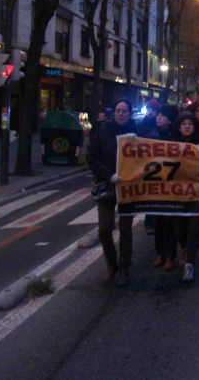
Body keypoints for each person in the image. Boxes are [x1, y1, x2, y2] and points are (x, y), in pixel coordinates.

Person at [86, 99, 136, 286]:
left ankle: (124, 267)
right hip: (108, 184)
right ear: (113, 113)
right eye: (118, 111)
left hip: (128, 187)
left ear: (129, 114)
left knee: (125, 230)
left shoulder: (136, 133)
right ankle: (111, 263)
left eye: (124, 111)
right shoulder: (103, 131)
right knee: (104, 228)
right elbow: (92, 157)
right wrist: (109, 175)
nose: (121, 114)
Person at [170, 111, 199, 282]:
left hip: (197, 193)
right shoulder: (170, 145)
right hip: (177, 194)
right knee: (179, 228)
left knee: (195, 227)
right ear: (179, 127)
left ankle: (189, 263)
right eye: (184, 124)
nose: (187, 127)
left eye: (190, 124)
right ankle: (183, 247)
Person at [149, 105, 179, 270]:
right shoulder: (149, 137)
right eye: (158, 115)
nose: (158, 117)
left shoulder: (176, 138)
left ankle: (170, 255)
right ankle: (159, 253)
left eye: (163, 115)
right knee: (158, 221)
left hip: (172, 186)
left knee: (169, 222)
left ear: (170, 120)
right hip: (156, 186)